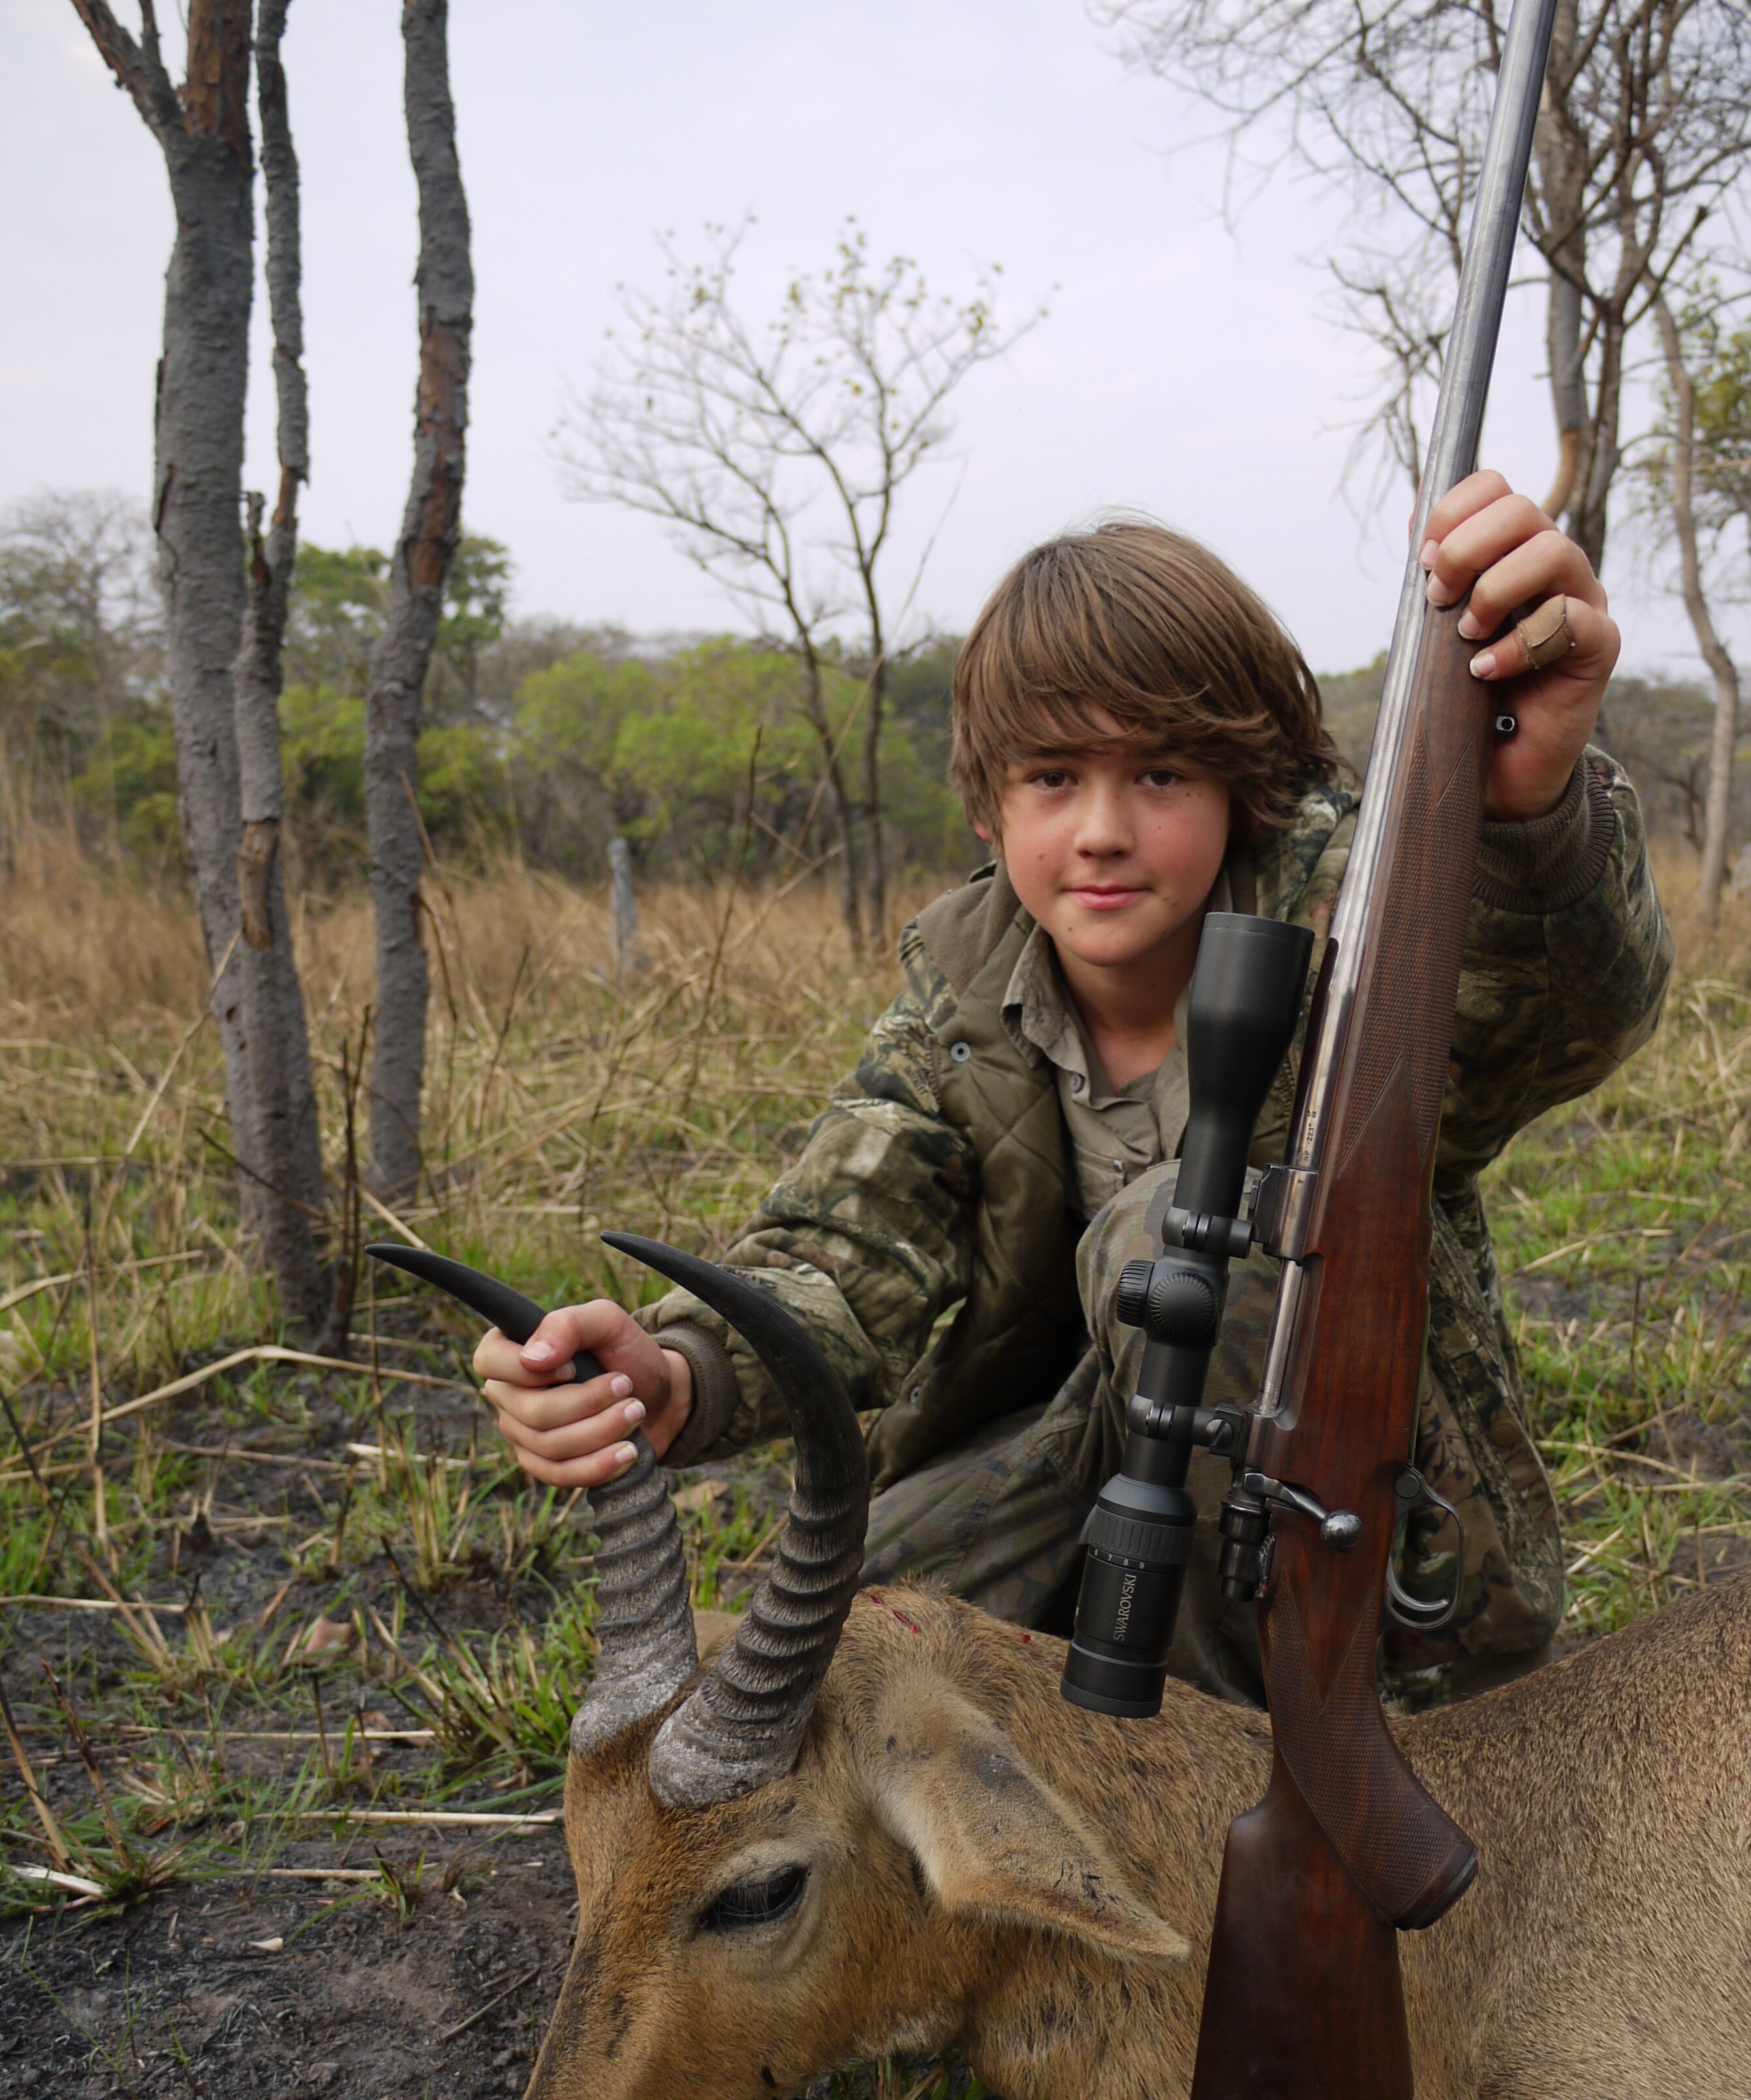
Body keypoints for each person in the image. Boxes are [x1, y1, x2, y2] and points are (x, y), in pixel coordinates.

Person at [475, 472, 1672, 1706]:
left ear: (1242, 789)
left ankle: (1259, 1753)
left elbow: (1559, 1018)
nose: (1101, 831)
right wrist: (671, 1375)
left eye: (1160, 775)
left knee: (1173, 1242)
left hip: (1379, 1557)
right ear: (991, 808)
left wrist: (1533, 822)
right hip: (1084, 1475)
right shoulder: (963, 986)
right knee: (796, 1684)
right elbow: (844, 1259)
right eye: (1053, 778)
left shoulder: (1365, 928)